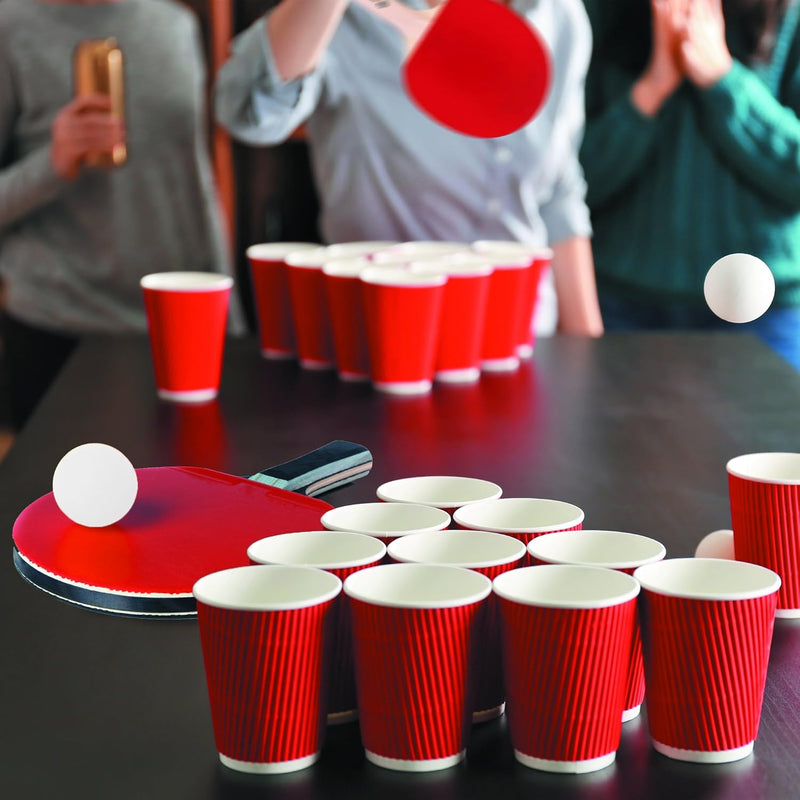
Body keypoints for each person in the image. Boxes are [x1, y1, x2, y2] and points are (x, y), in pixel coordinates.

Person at [213, 0, 604, 340]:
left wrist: (587, 353)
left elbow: (557, 190)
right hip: (382, 346)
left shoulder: (561, 16)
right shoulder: (350, 20)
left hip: (524, 342)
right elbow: (248, 112)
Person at [0, 0, 243, 429]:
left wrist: (228, 312)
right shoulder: (10, 26)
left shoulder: (177, 24)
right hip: (59, 327)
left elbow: (194, 179)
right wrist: (53, 162)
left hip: (179, 328)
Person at [580, 0, 800, 369]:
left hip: (763, 308)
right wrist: (650, 90)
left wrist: (723, 80)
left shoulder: (788, 14)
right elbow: (568, 184)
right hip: (621, 305)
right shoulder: (596, 12)